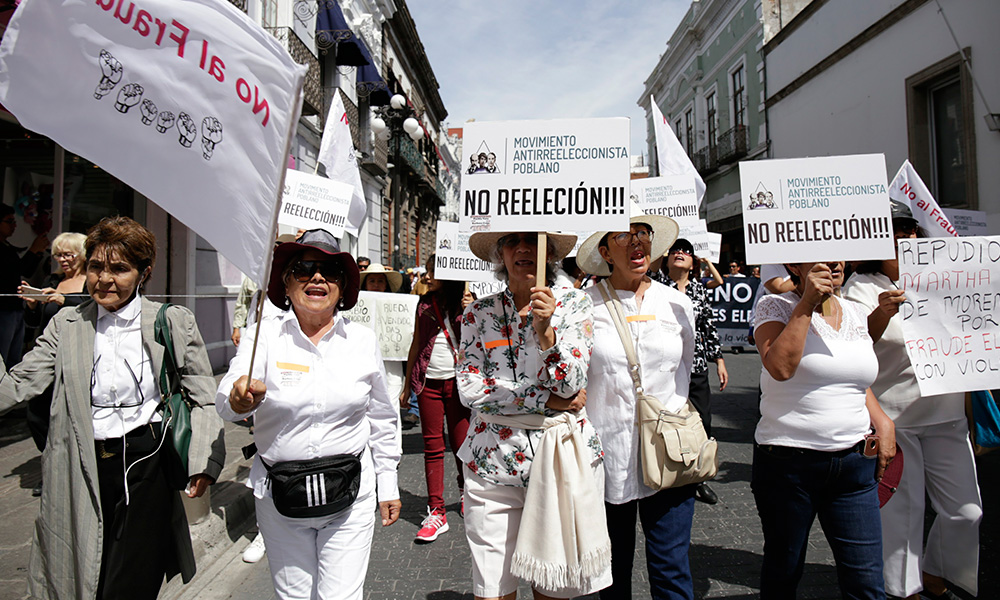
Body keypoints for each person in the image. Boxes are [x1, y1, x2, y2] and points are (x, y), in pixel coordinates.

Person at [0, 216, 225, 600]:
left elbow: (201, 395)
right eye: (96, 267)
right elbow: (18, 385)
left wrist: (204, 462)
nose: (104, 279)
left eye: (119, 268)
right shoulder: (66, 325)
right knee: (82, 573)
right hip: (80, 463)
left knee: (132, 580)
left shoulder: (172, 322)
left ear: (144, 273)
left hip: (147, 463)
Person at [217, 229, 401, 600]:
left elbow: (382, 416)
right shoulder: (262, 337)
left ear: (342, 288)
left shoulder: (362, 341)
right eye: (304, 268)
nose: (317, 277)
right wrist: (239, 399)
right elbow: (228, 395)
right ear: (285, 285)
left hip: (352, 494)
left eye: (330, 270)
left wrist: (388, 482)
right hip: (280, 499)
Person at [458, 230, 611, 600]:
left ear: (549, 254)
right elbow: (470, 389)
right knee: (491, 590)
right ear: (500, 255)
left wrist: (546, 335)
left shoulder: (574, 304)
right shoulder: (479, 313)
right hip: (491, 463)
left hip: (560, 461)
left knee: (553, 587)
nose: (523, 248)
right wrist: (544, 402)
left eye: (532, 240)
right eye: (512, 242)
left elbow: (571, 384)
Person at [844, 202, 981, 600]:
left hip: (947, 414)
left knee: (966, 512)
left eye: (909, 229)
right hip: (895, 417)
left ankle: (938, 569)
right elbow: (853, 346)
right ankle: (904, 590)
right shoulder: (861, 289)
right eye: (894, 230)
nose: (905, 237)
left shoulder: (948, 278)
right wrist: (881, 314)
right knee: (901, 518)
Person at [753, 260, 895, 598]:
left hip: (854, 469)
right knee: (783, 574)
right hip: (789, 468)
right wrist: (806, 305)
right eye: (820, 252)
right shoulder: (775, 307)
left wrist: (882, 419)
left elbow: (851, 378)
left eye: (838, 252)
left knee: (867, 583)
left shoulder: (856, 311)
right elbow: (780, 367)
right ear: (793, 265)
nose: (834, 260)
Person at [576, 213, 700, 599]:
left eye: (642, 235)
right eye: (623, 237)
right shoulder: (583, 306)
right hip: (608, 457)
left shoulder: (678, 304)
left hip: (669, 453)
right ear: (604, 251)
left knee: (671, 569)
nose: (636, 244)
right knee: (613, 575)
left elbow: (686, 369)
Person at [400, 254, 472, 542]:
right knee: (433, 446)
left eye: (433, 271)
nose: (427, 276)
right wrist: (407, 386)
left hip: (458, 385)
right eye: (427, 271)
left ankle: (467, 493)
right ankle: (436, 511)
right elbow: (417, 342)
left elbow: (478, 341)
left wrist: (471, 311)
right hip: (428, 383)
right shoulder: (424, 303)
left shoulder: (468, 301)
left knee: (461, 445)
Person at [654, 237, 728, 505]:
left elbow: (707, 326)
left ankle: (699, 476)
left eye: (686, 251)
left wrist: (718, 359)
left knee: (702, 421)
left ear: (692, 261)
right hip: (665, 366)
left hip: (695, 366)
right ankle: (664, 467)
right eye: (675, 250)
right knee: (665, 420)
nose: (680, 253)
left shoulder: (698, 289)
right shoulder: (655, 286)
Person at [0, 203, 48, 366]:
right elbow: (12, 271)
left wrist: (38, 251)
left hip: (15, 308)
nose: (14, 226)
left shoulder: (7, 247)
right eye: (9, 221)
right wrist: (33, 250)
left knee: (13, 358)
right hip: (3, 310)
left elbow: (25, 272)